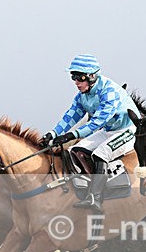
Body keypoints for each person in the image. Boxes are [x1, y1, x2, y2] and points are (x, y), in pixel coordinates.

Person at [41, 54, 140, 212]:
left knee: (101, 154)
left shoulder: (110, 91)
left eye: (79, 78)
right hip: (108, 131)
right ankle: (90, 187)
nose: (76, 82)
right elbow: (70, 117)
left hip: (127, 130)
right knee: (75, 150)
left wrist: (71, 135)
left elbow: (97, 122)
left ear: (92, 76)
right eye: (73, 77)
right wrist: (52, 134)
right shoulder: (82, 96)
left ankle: (96, 197)